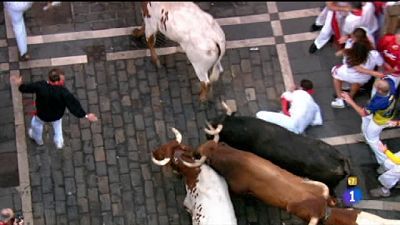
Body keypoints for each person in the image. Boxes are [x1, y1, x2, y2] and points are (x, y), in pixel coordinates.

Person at [12, 68, 98, 149]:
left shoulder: (41, 85)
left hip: (42, 115)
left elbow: (26, 88)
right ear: (57, 82)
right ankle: (59, 142)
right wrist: (85, 115)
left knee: (36, 125)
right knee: (57, 126)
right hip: (56, 116)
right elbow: (74, 105)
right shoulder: (64, 92)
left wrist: (20, 84)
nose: (63, 81)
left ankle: (38, 140)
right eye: (62, 80)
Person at [341, 77, 397, 166]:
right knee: (365, 121)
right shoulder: (390, 84)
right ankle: (364, 136)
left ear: (379, 90)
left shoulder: (379, 102)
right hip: (381, 112)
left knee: (373, 140)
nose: (377, 81)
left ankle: (384, 162)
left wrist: (350, 100)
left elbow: (363, 113)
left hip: (379, 120)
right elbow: (385, 77)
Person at [256, 79, 323, 134]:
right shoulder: (315, 105)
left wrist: (291, 90)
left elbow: (284, 96)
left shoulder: (297, 93)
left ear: (301, 87)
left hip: (291, 123)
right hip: (299, 130)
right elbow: (317, 122)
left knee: (259, 114)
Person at [331, 40, 385, 108]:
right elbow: (381, 64)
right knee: (357, 82)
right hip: (364, 78)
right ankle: (350, 97)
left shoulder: (350, 56)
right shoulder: (374, 54)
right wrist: (376, 73)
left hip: (349, 75)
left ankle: (340, 99)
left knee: (335, 74)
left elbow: (359, 69)